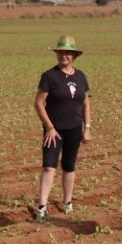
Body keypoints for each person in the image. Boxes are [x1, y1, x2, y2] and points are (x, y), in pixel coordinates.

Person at [34, 35, 92, 219]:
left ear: (73, 55)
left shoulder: (81, 76)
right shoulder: (49, 76)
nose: (64, 55)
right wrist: (49, 127)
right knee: (49, 167)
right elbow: (38, 103)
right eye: (61, 52)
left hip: (74, 128)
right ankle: (42, 206)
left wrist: (87, 127)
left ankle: (68, 202)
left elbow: (85, 103)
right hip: (54, 131)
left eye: (67, 53)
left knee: (69, 166)